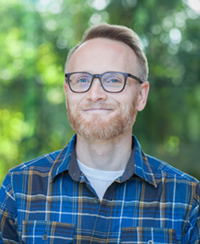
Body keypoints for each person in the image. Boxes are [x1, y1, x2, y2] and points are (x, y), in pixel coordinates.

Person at [0, 23, 199, 243]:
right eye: (82, 80)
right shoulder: (18, 188)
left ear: (141, 96)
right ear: (67, 95)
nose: (95, 94)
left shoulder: (187, 198)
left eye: (113, 80)